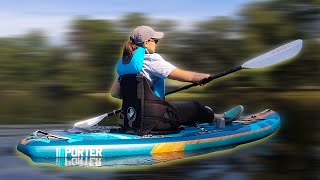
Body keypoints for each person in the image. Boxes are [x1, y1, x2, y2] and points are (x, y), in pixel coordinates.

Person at [111, 26, 243, 135]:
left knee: (182, 109)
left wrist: (143, 96)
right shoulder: (152, 59)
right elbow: (184, 76)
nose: (156, 44)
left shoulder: (126, 66)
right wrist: (201, 77)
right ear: (146, 42)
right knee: (195, 107)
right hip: (155, 122)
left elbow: (115, 94)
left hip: (131, 122)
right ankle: (221, 118)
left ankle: (207, 115)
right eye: (155, 40)